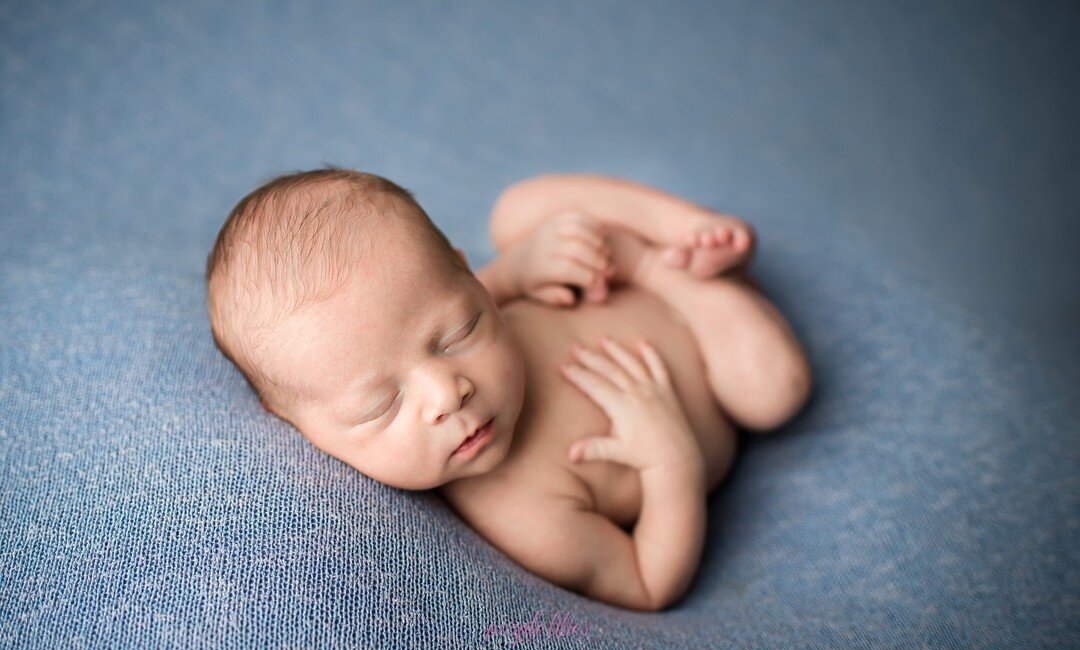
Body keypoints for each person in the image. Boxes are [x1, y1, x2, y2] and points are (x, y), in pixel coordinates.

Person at [205, 168, 812, 610]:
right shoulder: (524, 514)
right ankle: (676, 274)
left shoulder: (449, 304)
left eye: (457, 333)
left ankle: (684, 231)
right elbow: (649, 581)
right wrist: (669, 460)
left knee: (518, 208)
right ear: (297, 427)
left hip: (611, 276)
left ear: (470, 277)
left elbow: (447, 300)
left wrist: (520, 268)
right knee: (773, 392)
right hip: (716, 355)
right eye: (380, 406)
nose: (448, 394)